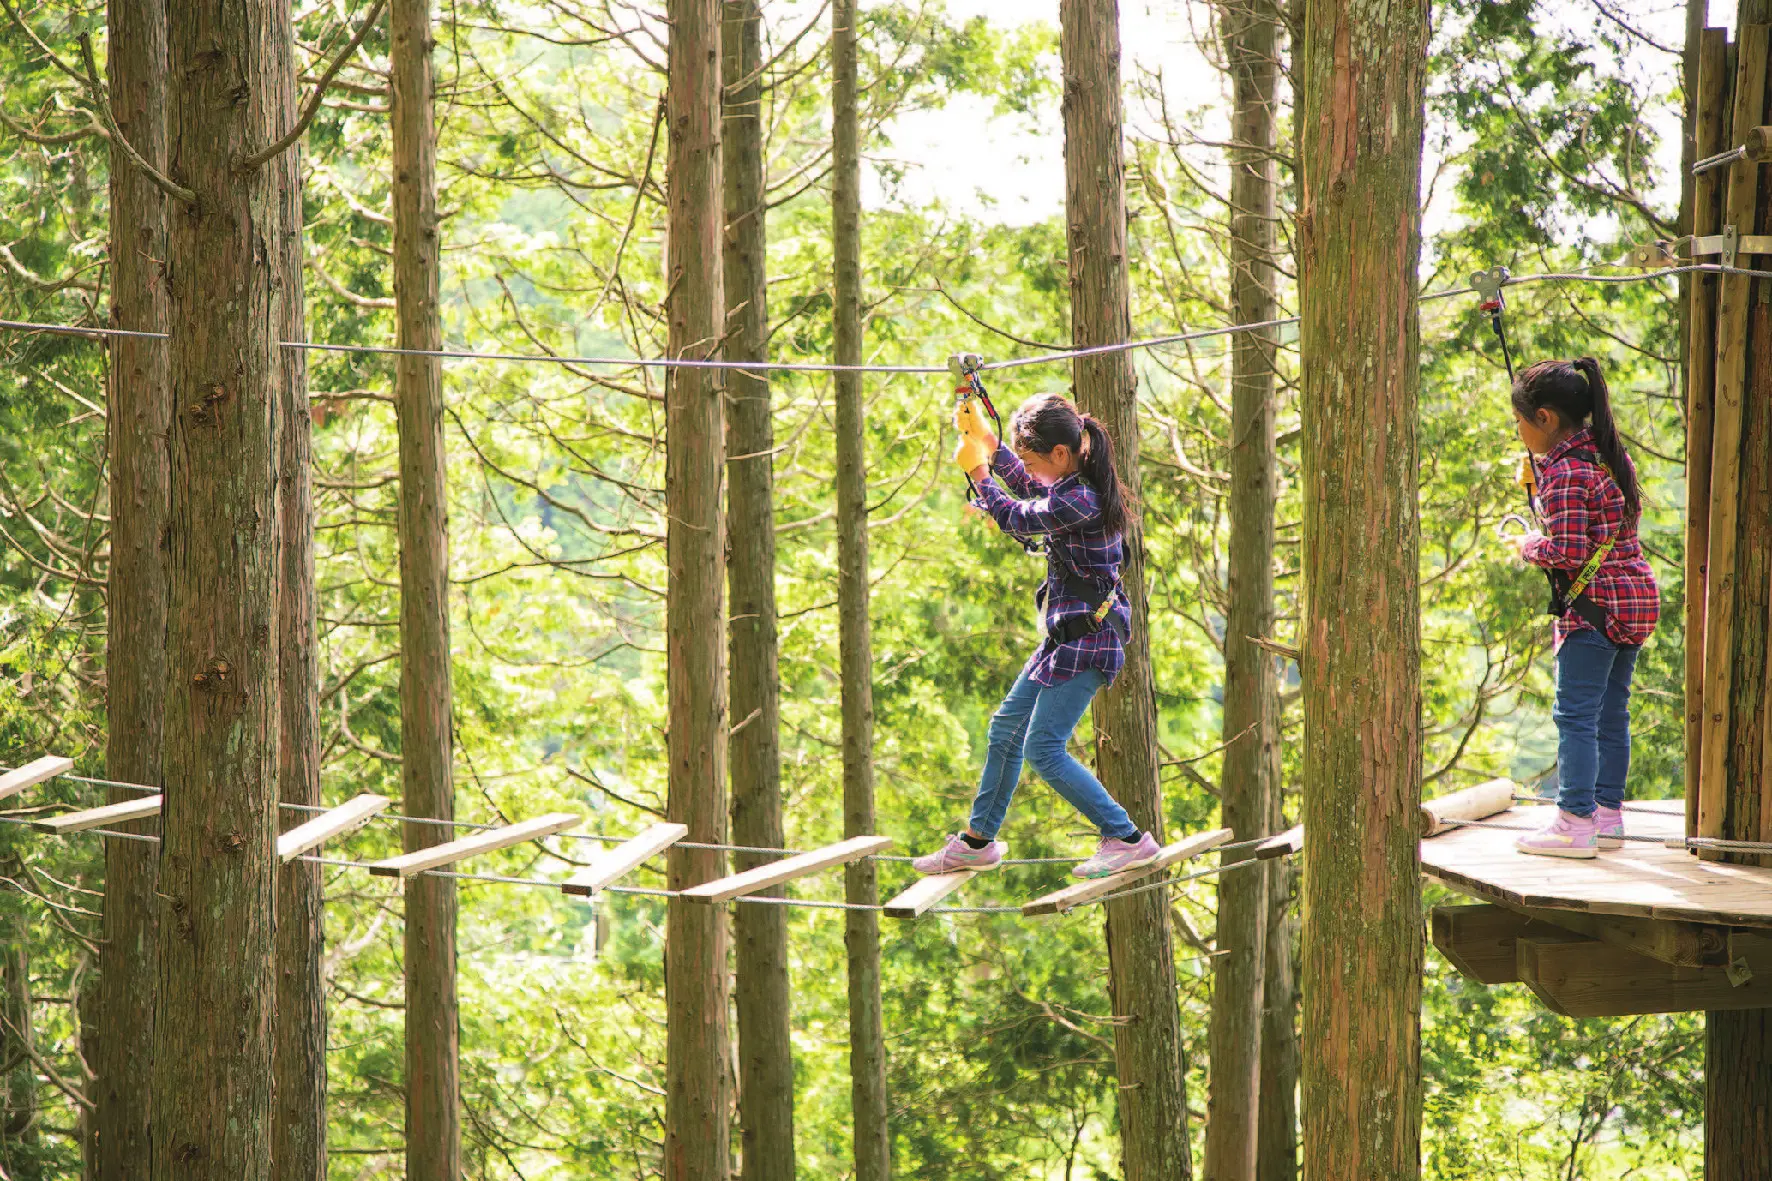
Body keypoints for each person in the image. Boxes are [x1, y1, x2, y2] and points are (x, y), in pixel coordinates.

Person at [912, 391, 1161, 880]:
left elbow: (1018, 515)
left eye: (1032, 457)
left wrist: (980, 474)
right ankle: (978, 841)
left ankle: (1128, 838)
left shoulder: (1081, 498)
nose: (1028, 469)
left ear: (1061, 454)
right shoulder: (1072, 482)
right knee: (1006, 729)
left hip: (1088, 640)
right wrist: (985, 439)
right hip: (1064, 640)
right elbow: (1029, 482)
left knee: (1044, 748)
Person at [1506, 357, 1659, 859]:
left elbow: (1568, 551)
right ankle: (1607, 815)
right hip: (1631, 601)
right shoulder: (1606, 454)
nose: (1520, 431)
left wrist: (1530, 544)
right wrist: (1539, 485)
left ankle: (1574, 822)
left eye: (1521, 422)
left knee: (1574, 717)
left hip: (1594, 610)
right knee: (1612, 714)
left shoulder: (1567, 472)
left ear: (1545, 418)